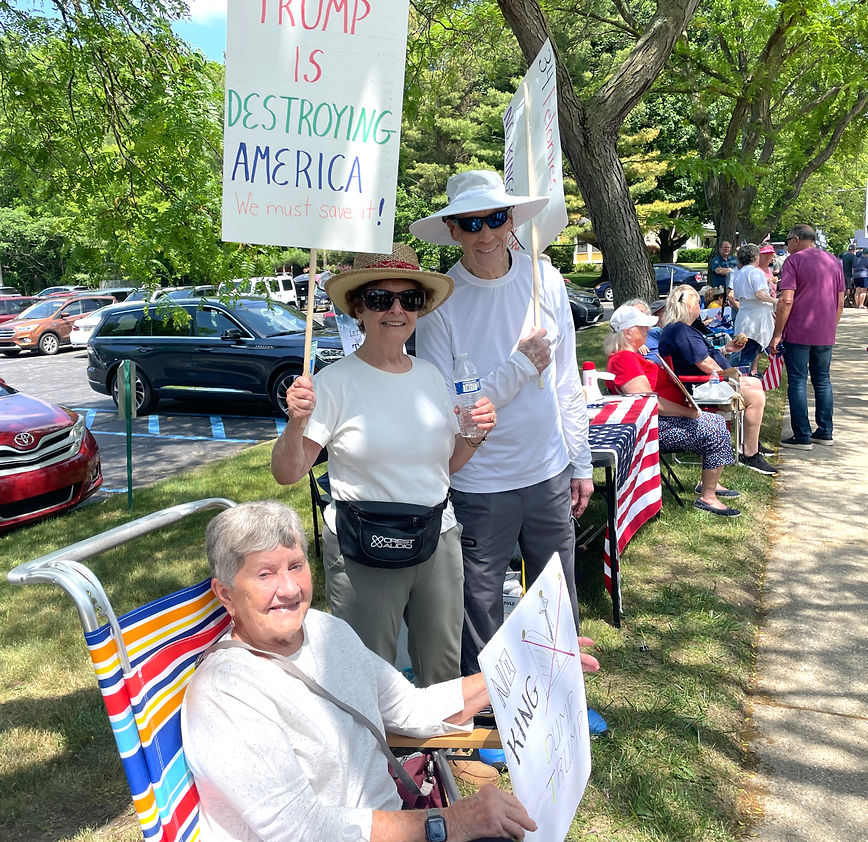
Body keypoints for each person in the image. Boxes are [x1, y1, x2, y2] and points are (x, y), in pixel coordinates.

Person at [182, 500, 601, 842]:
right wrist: (449, 823)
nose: (289, 589)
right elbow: (301, 829)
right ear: (226, 594)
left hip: (395, 823)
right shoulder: (225, 694)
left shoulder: (326, 631)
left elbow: (411, 709)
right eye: (265, 574)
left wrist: (519, 668)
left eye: (295, 566)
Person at [270, 244, 496, 689]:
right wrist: (295, 425)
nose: (396, 310)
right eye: (380, 299)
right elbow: (288, 472)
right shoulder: (334, 382)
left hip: (438, 535)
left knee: (442, 667)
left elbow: (446, 466)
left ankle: (448, 756)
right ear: (358, 308)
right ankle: (379, 757)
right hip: (364, 545)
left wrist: (474, 436)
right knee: (370, 672)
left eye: (409, 299)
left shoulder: (432, 376)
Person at [409, 170, 593, 676]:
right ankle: (489, 710)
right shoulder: (439, 304)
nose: (486, 234)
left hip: (548, 469)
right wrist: (518, 366)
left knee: (555, 592)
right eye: (470, 224)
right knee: (480, 605)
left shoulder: (545, 280)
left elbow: (567, 382)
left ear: (512, 218)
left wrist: (580, 462)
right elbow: (452, 410)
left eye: (496, 218)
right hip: (480, 482)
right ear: (451, 230)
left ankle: (559, 697)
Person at [605, 305, 741, 516]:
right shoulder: (624, 359)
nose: (647, 331)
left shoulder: (632, 357)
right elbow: (648, 401)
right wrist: (689, 412)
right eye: (642, 328)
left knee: (715, 423)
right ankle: (708, 496)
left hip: (662, 420)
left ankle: (709, 485)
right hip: (652, 428)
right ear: (627, 332)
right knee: (715, 428)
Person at [658, 284, 777, 476]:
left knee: (755, 383)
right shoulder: (681, 332)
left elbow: (705, 356)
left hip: (703, 382)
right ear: (689, 306)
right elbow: (706, 365)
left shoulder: (682, 329)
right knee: (754, 395)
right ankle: (750, 453)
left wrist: (727, 350)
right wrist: (732, 377)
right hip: (699, 386)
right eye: (698, 301)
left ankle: (750, 443)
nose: (700, 305)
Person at [768, 223, 846, 449]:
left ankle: (802, 435)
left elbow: (786, 299)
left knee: (798, 381)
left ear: (795, 240)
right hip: (825, 331)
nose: (787, 246)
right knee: (822, 380)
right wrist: (831, 325)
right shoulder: (833, 261)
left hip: (799, 331)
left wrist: (777, 334)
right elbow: (840, 301)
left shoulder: (794, 261)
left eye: (787, 241)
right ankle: (825, 431)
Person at [729, 243, 777, 375]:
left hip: (744, 315)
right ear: (755, 256)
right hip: (756, 318)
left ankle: (747, 377)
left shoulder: (739, 273)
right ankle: (745, 381)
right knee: (749, 354)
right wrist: (776, 301)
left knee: (746, 351)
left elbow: (738, 295)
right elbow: (759, 294)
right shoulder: (756, 272)